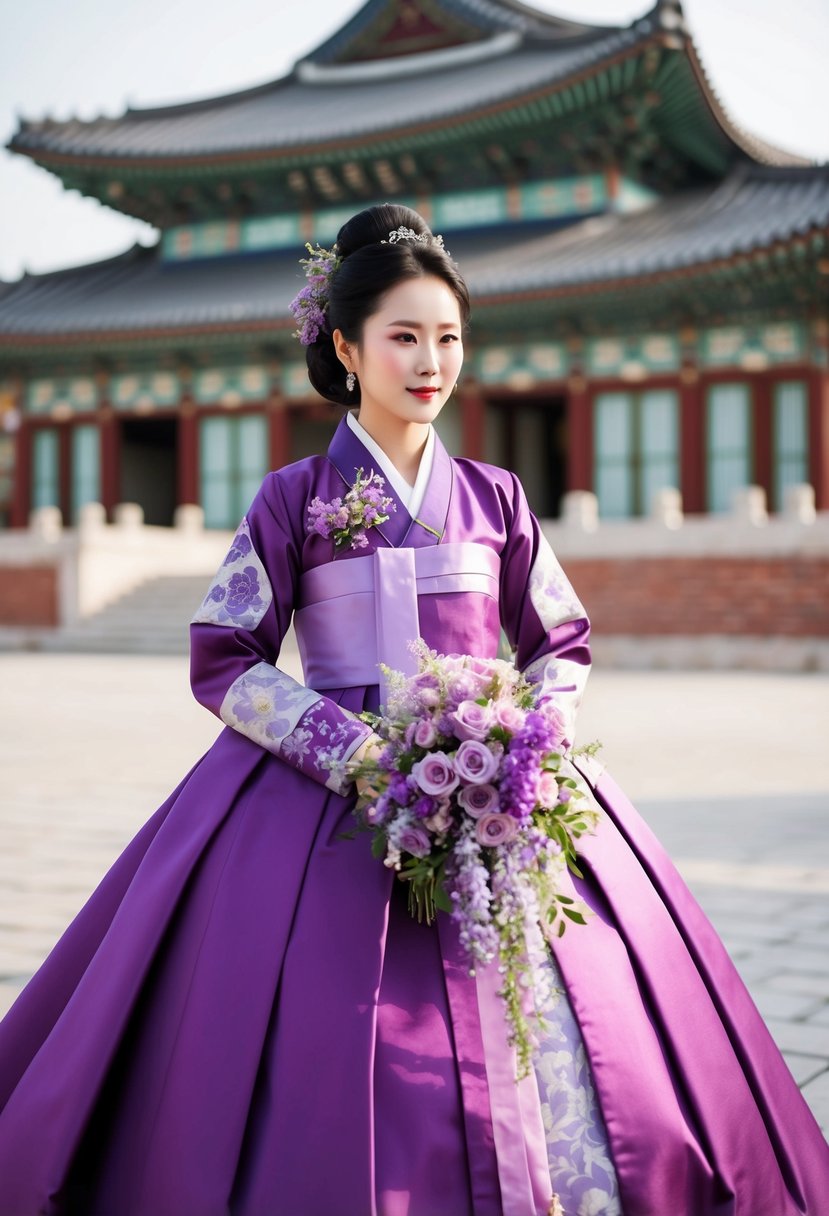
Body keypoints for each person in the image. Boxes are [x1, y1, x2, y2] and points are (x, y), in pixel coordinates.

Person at [0, 203, 826, 1216]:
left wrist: (525, 740)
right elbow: (226, 655)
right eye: (404, 336)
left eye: (448, 337)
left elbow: (560, 639)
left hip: (499, 786)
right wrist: (352, 751)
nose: (431, 360)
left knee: (605, 1021)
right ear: (346, 348)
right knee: (310, 1032)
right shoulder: (292, 499)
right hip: (332, 792)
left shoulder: (498, 496)